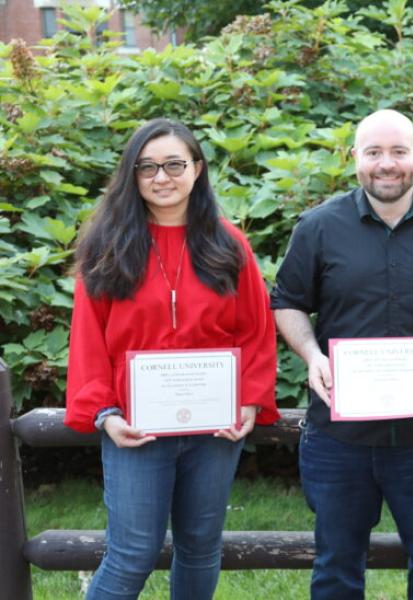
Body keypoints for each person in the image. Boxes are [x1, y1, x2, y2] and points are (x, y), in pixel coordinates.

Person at [270, 109, 413, 599]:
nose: (386, 164)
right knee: (335, 568)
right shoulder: (317, 229)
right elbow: (287, 302)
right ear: (355, 160)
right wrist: (312, 355)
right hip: (339, 437)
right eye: (373, 153)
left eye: (398, 152)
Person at [65, 118, 279, 600]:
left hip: (213, 429)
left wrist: (248, 401)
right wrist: (104, 411)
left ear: (197, 169)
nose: (162, 177)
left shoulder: (228, 243)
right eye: (147, 167)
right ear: (132, 175)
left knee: (201, 547)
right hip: (136, 427)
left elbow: (256, 331)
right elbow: (88, 340)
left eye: (174, 164)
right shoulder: (108, 245)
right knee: (132, 553)